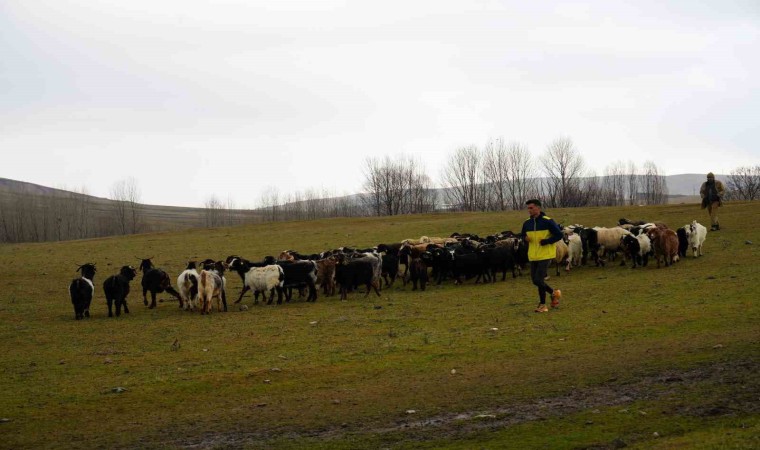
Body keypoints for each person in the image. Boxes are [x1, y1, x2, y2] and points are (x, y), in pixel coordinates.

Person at [520, 199, 564, 313]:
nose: (529, 210)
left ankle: (543, 305)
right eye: (528, 208)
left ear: (538, 208)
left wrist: (547, 241)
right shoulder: (526, 223)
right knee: (535, 281)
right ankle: (554, 293)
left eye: (531, 208)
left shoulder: (548, 221)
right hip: (533, 255)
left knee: (539, 280)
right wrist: (524, 238)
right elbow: (522, 235)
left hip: (546, 254)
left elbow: (559, 234)